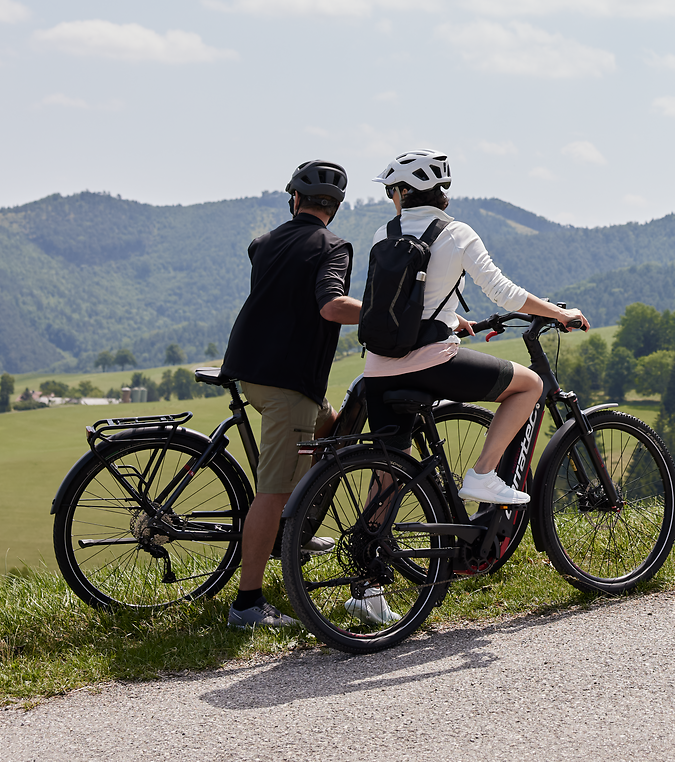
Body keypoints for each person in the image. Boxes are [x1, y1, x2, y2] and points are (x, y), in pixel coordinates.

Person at [361, 148, 586, 508]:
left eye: (391, 191)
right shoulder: (457, 233)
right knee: (531, 384)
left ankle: (369, 549)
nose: (391, 199)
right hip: (429, 365)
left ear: (403, 192)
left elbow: (393, 301)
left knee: (390, 468)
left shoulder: (382, 234)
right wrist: (558, 313)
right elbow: (503, 293)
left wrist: (446, 317)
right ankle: (482, 476)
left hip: (377, 369)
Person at [218, 159, 359, 629]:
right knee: (272, 493)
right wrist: (390, 313)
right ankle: (248, 604)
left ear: (294, 199)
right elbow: (331, 305)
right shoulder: (335, 246)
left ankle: (297, 531)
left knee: (334, 431)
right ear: (334, 209)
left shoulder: (263, 242)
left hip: (251, 370)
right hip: (287, 383)